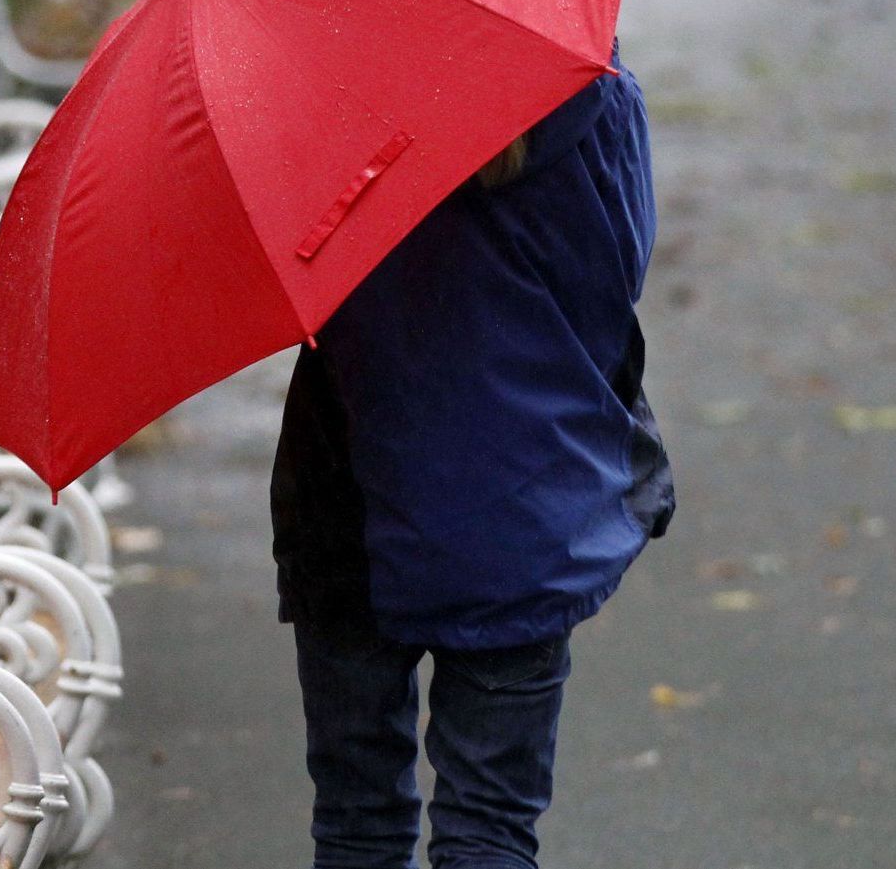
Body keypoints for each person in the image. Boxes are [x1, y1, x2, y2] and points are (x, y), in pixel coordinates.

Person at [272, 46, 674, 869]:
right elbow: (617, 277)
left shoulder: (326, 99)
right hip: (528, 502)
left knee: (357, 821)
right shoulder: (594, 89)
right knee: (491, 826)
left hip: (350, 497)